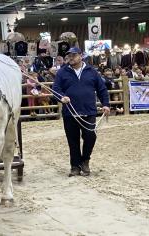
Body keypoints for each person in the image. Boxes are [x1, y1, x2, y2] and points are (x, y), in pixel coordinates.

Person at [53, 47, 110, 177]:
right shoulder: (62, 72)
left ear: (81, 56)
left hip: (88, 111)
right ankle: (75, 166)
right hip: (70, 112)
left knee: (91, 136)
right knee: (73, 141)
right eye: (69, 55)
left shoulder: (92, 72)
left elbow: (101, 89)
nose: (71, 58)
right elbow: (56, 89)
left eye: (74, 55)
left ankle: (85, 160)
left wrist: (106, 104)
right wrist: (61, 97)